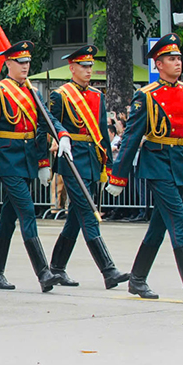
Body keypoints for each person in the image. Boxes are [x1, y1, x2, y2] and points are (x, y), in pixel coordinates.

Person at [108, 34, 183, 303]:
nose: (177, 62)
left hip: (179, 163)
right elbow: (132, 137)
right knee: (178, 221)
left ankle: (137, 278)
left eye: (179, 58)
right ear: (158, 64)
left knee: (159, 226)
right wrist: (118, 176)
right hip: (156, 163)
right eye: (171, 59)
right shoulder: (146, 96)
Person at [0, 39, 70, 292]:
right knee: (27, 212)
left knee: (8, 217)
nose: (26, 66)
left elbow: (46, 121)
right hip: (6, 159)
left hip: (26, 159)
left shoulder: (33, 92)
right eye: (20, 61)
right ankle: (43, 272)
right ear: (8, 63)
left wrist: (62, 135)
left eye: (28, 61)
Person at [46, 45, 129, 288]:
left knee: (75, 217)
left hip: (91, 158)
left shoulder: (96, 95)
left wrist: (108, 167)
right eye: (83, 66)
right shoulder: (60, 95)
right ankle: (109, 270)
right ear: (72, 68)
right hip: (71, 159)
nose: (88, 70)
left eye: (90, 65)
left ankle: (57, 267)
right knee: (88, 212)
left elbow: (103, 133)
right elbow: (51, 126)